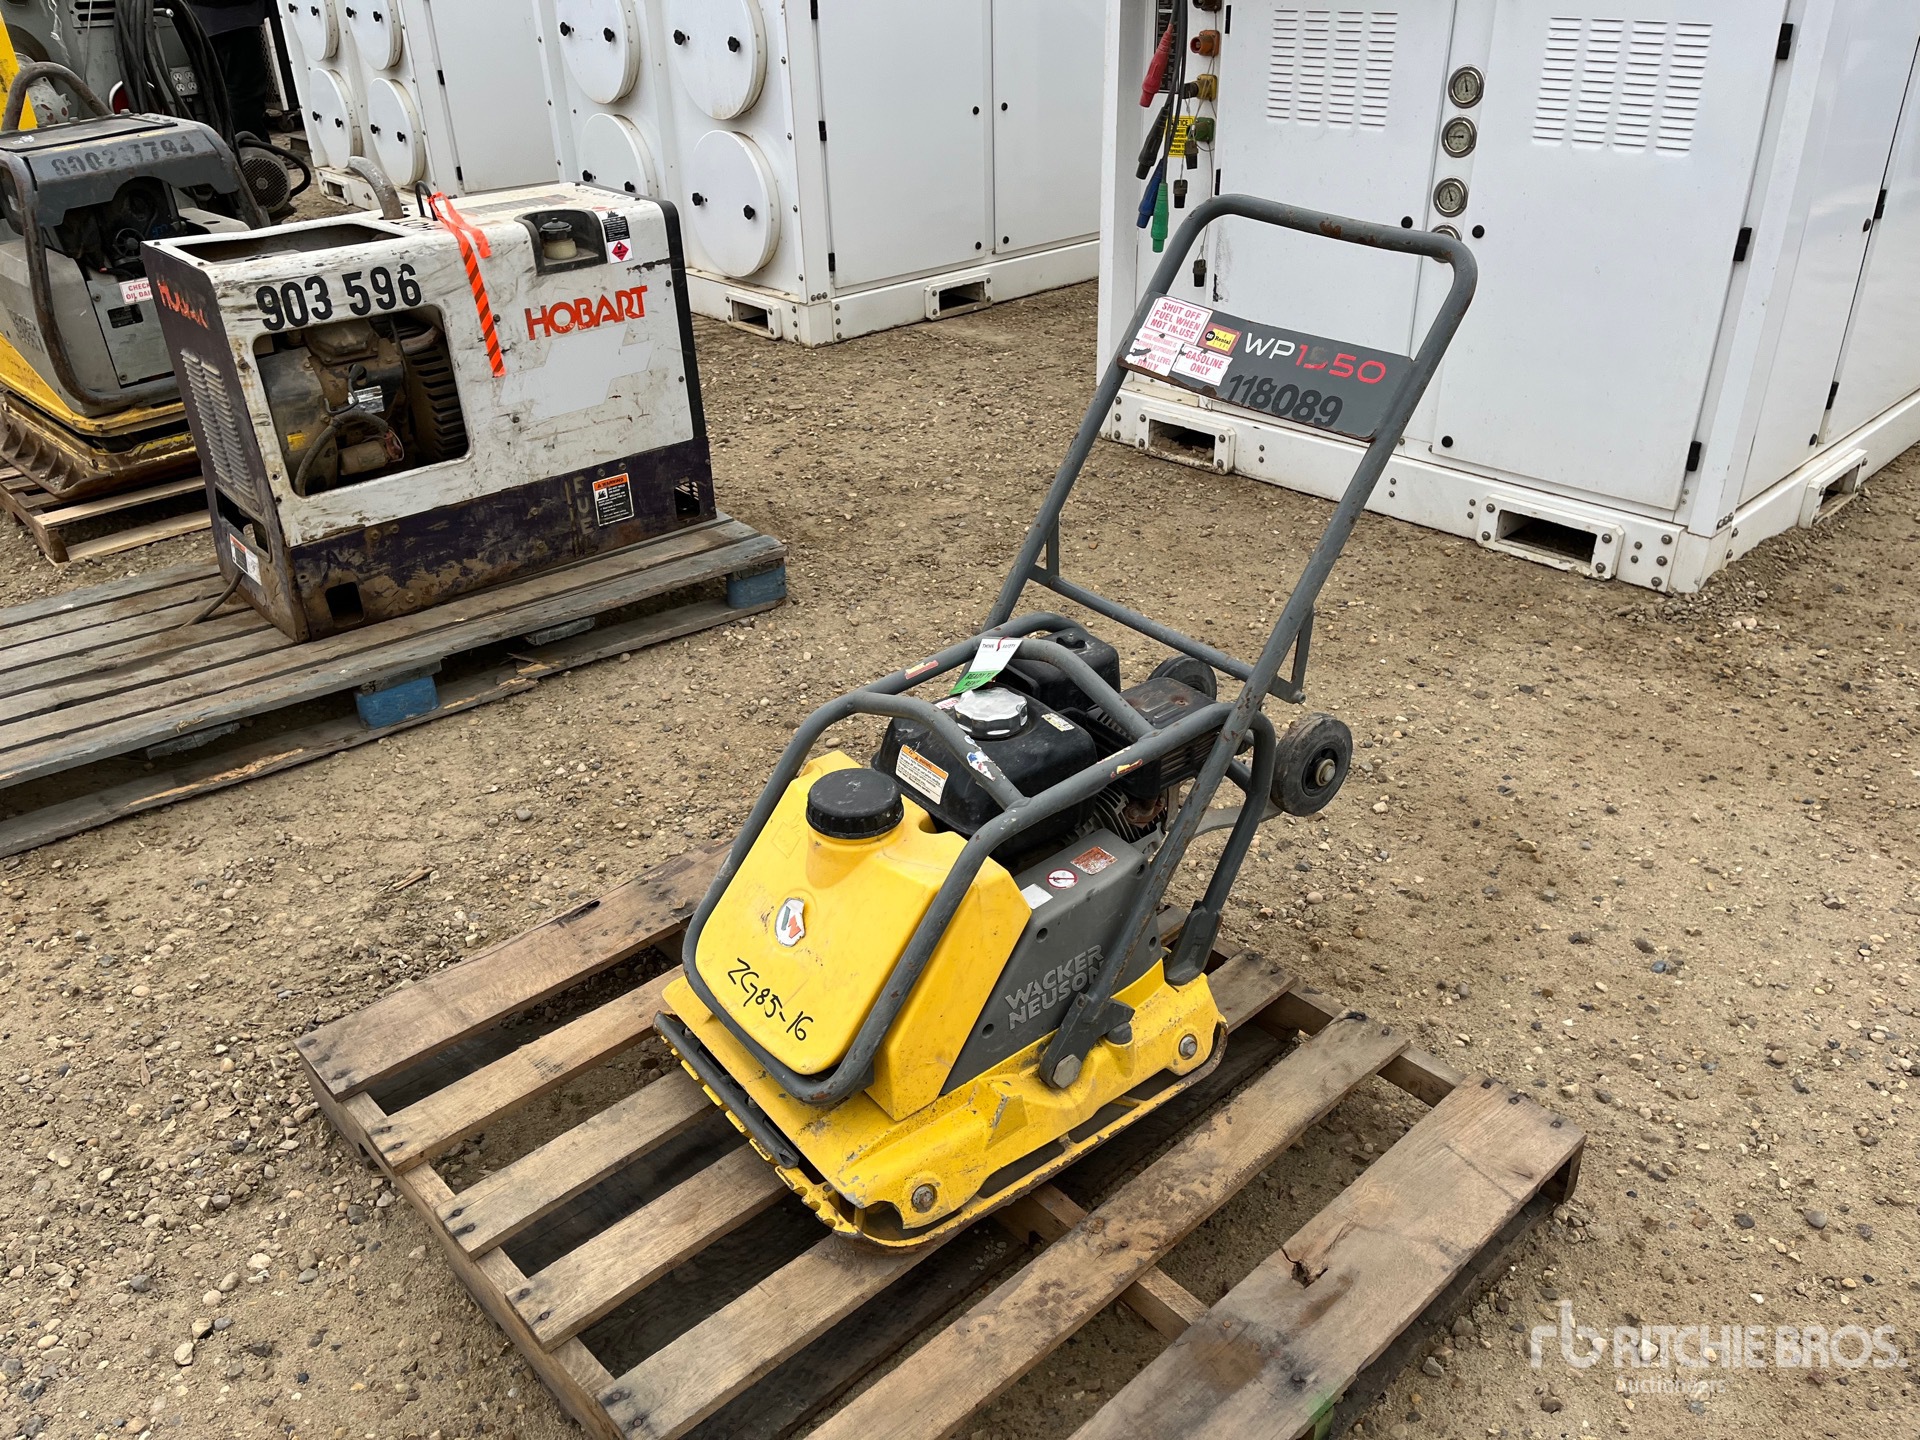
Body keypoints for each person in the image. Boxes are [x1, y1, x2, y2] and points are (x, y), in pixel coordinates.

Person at [187, 0, 271, 141]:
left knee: (221, 91)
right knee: (245, 90)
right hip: (234, 17)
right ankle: (252, 147)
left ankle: (234, 144)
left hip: (202, 19)